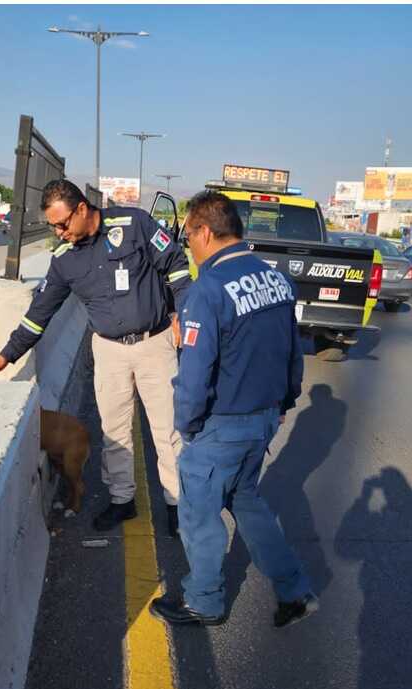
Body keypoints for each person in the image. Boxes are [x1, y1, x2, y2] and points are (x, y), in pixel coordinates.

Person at [0, 179, 192, 535]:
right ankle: (122, 500)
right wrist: (5, 356)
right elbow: (39, 314)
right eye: (52, 226)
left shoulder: (135, 224)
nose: (59, 232)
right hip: (108, 350)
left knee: (167, 430)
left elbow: (177, 267)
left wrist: (184, 315)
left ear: (82, 209)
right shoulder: (63, 261)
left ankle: (176, 504)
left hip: (154, 343)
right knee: (114, 430)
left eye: (62, 224)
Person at [150, 190, 317, 628]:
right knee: (248, 503)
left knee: (199, 514)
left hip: (219, 427)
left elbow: (194, 372)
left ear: (205, 231)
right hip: (263, 420)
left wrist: (187, 426)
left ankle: (203, 601)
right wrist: (285, 402)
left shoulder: (206, 290)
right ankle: (294, 589)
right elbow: (292, 353)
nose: (188, 247)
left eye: (188, 237)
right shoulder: (276, 280)